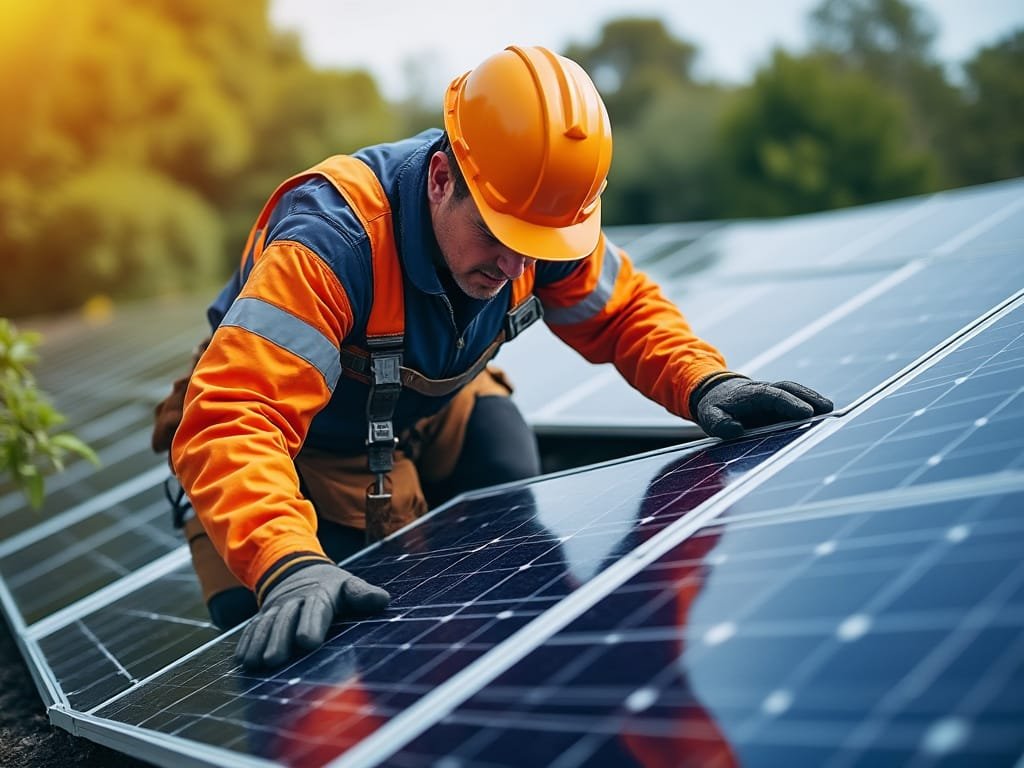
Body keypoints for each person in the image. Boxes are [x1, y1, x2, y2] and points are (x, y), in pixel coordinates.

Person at [158, 45, 832, 671]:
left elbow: (624, 312)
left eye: (536, 245)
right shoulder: (332, 243)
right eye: (494, 233)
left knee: (502, 462)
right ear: (441, 178)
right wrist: (283, 561)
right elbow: (237, 413)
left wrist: (703, 378)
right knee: (304, 630)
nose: (514, 266)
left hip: (430, 410)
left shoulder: (543, 228)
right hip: (302, 448)